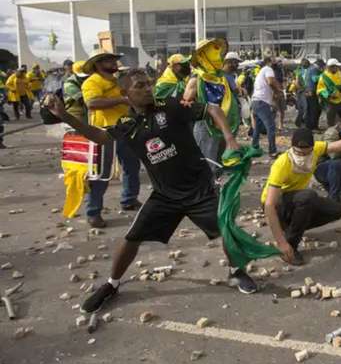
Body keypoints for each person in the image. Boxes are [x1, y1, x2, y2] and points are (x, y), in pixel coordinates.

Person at [44, 68, 260, 313]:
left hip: (199, 189)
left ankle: (236, 271)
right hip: (165, 195)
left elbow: (212, 109)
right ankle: (111, 285)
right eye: (140, 86)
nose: (148, 88)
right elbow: (99, 136)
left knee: (226, 230)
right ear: (125, 93)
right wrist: (63, 115)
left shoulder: (169, 106)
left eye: (148, 83)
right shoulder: (127, 124)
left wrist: (230, 139)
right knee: (131, 238)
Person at [262, 114, 341, 265]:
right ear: (292, 148)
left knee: (337, 210)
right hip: (277, 206)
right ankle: (290, 246)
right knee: (308, 196)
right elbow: (269, 205)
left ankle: (293, 227)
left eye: (306, 153)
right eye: (298, 152)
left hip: (296, 200)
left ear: (312, 149)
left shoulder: (318, 149)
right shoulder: (282, 164)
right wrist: (281, 243)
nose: (302, 156)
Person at [81, 51, 142, 228]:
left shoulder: (116, 81)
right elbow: (92, 103)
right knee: (101, 173)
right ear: (98, 64)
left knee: (132, 165)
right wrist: (122, 100)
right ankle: (93, 212)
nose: (115, 62)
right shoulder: (92, 82)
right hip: (103, 131)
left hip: (124, 127)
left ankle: (129, 199)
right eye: (110, 60)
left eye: (115, 59)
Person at [184, 38, 241, 179]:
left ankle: (214, 190)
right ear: (204, 56)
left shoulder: (220, 78)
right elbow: (186, 103)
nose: (218, 55)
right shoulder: (197, 78)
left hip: (223, 126)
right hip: (206, 126)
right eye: (213, 52)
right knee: (207, 164)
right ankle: (205, 194)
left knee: (219, 163)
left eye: (218, 52)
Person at [250, 56, 283, 157]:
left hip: (255, 101)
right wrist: (278, 91)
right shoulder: (268, 69)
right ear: (269, 62)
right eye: (274, 60)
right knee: (271, 127)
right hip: (262, 102)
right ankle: (272, 151)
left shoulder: (261, 71)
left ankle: (254, 148)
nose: (276, 62)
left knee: (257, 127)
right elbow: (270, 82)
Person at [317, 58, 341, 128]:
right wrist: (329, 95)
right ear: (331, 67)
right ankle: (331, 132)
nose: (338, 68)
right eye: (336, 66)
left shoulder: (339, 73)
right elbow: (320, 90)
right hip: (331, 102)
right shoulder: (324, 77)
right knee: (330, 119)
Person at [304, 59, 324, 131]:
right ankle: (314, 127)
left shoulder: (309, 69)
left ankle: (309, 126)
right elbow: (315, 79)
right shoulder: (315, 69)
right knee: (315, 110)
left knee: (310, 109)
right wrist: (322, 74)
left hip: (307, 91)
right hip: (312, 91)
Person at [292, 58, 310, 127]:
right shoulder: (299, 71)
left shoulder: (302, 70)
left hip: (301, 91)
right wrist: (303, 89)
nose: (308, 65)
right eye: (307, 64)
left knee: (302, 108)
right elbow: (296, 82)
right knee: (304, 108)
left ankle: (299, 122)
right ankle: (300, 123)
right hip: (301, 92)